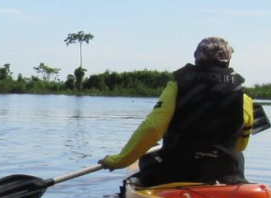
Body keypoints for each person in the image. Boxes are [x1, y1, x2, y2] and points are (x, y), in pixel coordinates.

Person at [99, 36, 256, 187]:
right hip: (225, 174)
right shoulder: (242, 94)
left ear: (197, 57)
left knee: (147, 159)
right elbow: (241, 145)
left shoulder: (178, 85)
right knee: (237, 158)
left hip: (176, 171)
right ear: (227, 60)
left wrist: (118, 161)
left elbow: (152, 128)